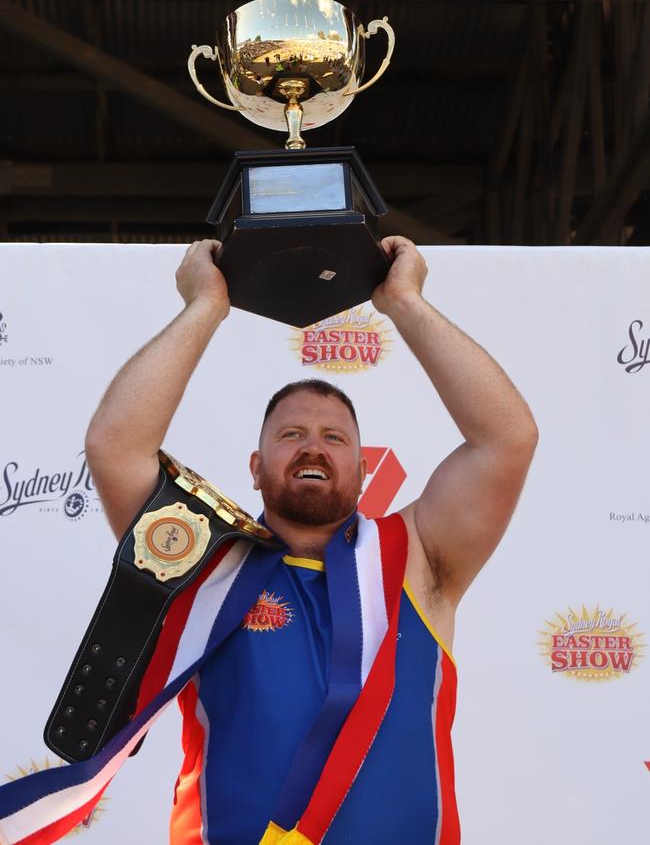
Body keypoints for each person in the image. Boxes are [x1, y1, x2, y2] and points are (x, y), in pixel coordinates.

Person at [84, 236, 538, 845]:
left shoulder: (419, 557)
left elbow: (506, 439)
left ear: (362, 467)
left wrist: (403, 301)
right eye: (291, 433)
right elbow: (116, 449)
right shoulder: (201, 559)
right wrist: (204, 307)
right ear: (255, 465)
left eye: (335, 437)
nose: (313, 447)